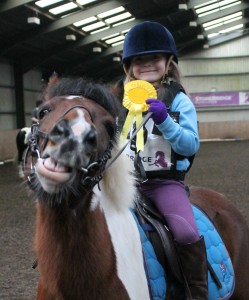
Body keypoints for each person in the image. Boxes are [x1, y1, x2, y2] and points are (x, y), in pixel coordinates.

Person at [121, 21, 207, 299]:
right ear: (129, 66)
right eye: (139, 60)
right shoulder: (121, 99)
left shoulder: (180, 101)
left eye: (154, 58)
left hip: (163, 184)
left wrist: (165, 121)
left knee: (185, 233)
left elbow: (190, 144)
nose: (146, 64)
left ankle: (196, 292)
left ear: (168, 62)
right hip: (124, 184)